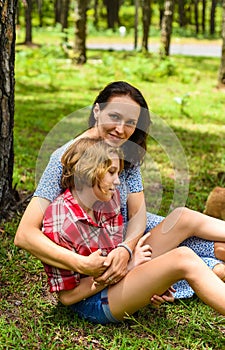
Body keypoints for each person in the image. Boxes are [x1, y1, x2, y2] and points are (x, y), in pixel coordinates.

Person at [15, 81, 225, 299]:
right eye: (114, 117)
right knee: (205, 262)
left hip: (129, 233)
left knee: (199, 232)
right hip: (102, 247)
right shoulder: (65, 158)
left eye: (130, 122)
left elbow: (137, 213)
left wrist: (127, 247)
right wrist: (84, 264)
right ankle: (212, 269)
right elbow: (25, 235)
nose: (121, 129)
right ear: (97, 110)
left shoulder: (124, 151)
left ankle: (213, 259)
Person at [42, 136, 225, 325]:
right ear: (87, 173)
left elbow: (115, 251)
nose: (118, 182)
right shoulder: (60, 223)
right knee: (183, 258)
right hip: (93, 301)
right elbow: (68, 297)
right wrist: (130, 267)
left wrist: (148, 274)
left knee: (183, 217)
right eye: (111, 172)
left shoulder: (106, 198)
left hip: (123, 270)